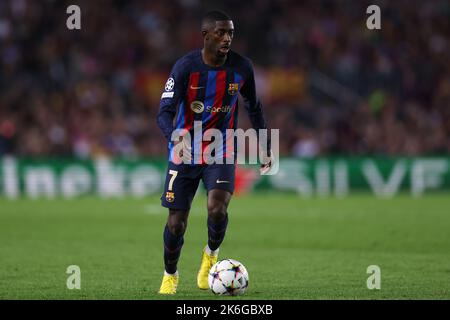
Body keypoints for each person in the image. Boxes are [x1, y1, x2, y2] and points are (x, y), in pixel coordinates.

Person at [156, 10, 272, 294]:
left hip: (221, 149)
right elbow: (164, 112)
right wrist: (174, 137)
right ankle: (170, 274)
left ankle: (210, 255)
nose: (227, 38)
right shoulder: (185, 68)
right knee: (176, 224)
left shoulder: (242, 67)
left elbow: (254, 108)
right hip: (184, 152)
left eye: (230, 33)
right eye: (220, 33)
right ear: (205, 36)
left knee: (217, 208)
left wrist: (265, 147)